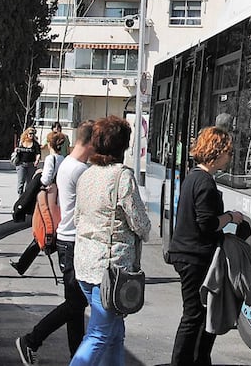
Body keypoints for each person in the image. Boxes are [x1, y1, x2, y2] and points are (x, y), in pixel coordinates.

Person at [70, 116, 151, 366]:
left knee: (115, 333)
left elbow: (77, 218)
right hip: (111, 270)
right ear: (123, 145)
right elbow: (139, 222)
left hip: (84, 266)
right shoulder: (121, 177)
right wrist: (145, 230)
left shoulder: (87, 175)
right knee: (100, 333)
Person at [15, 122, 94, 365]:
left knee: (76, 305)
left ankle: (76, 356)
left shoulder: (68, 163)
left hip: (65, 240)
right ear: (90, 143)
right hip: (72, 242)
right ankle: (31, 340)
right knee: (76, 303)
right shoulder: (79, 170)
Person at [166, 126, 243, 366]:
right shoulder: (205, 183)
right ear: (217, 152)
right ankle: (181, 361)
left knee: (198, 313)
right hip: (193, 256)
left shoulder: (193, 177)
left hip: (186, 253)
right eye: (228, 152)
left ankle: (198, 359)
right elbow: (207, 224)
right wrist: (231, 217)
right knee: (194, 314)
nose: (230, 158)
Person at [9, 132, 67, 277]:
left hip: (46, 199)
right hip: (58, 198)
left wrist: (39, 176)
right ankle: (22, 265)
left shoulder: (50, 159)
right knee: (47, 233)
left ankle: (65, 268)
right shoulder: (63, 159)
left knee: (45, 230)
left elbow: (46, 179)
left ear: (49, 144)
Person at [14, 127, 41, 195]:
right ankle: (20, 197)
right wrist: (16, 151)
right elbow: (16, 150)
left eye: (33, 134)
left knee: (29, 183)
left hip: (31, 165)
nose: (31, 135)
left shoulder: (35, 144)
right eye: (30, 133)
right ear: (26, 134)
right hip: (21, 164)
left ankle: (25, 198)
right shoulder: (21, 142)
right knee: (21, 182)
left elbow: (38, 153)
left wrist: (37, 160)